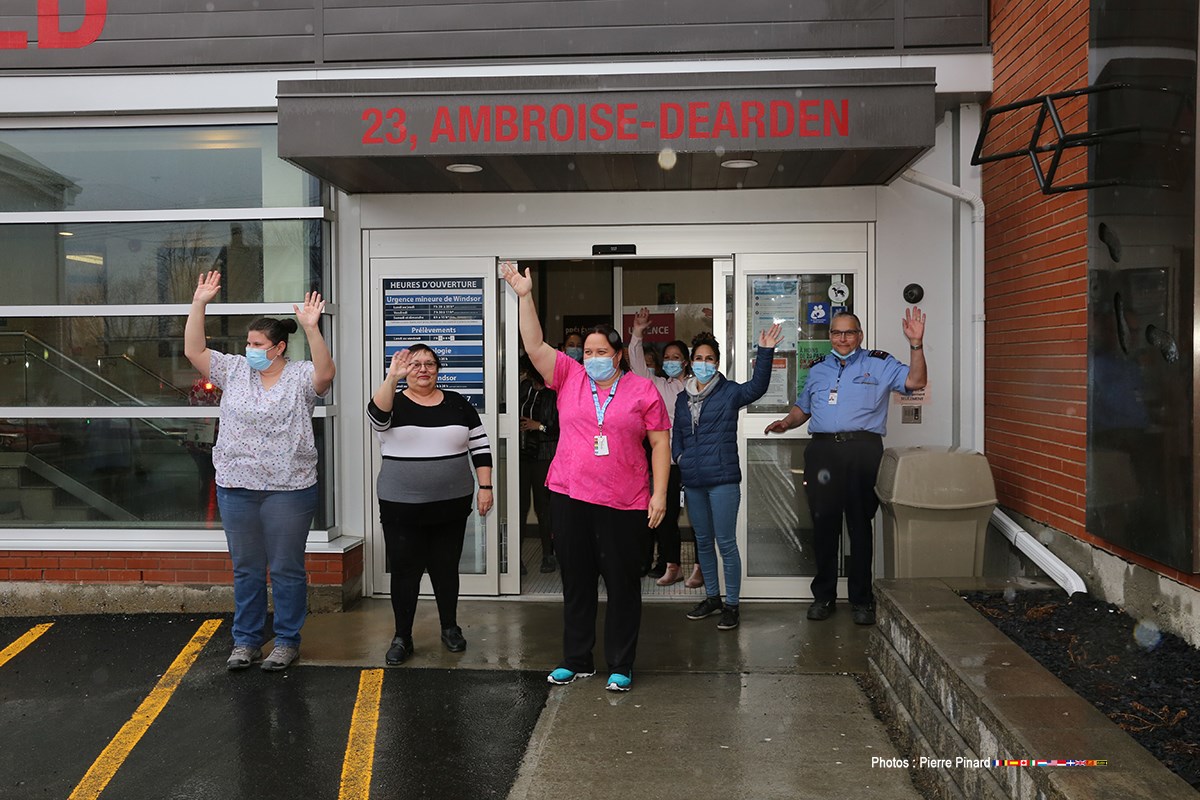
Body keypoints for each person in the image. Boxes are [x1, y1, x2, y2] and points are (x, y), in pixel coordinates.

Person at [503, 262, 670, 693]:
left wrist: (660, 496)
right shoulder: (568, 376)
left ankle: (621, 663)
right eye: (588, 351)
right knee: (575, 581)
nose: (592, 357)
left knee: (621, 583)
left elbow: (660, 445)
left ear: (617, 355)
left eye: (601, 351)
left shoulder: (642, 390)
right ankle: (576, 659)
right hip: (570, 496)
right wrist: (525, 296)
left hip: (623, 501)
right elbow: (534, 341)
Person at [184, 270, 335, 672]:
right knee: (247, 569)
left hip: (290, 489)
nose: (249, 349)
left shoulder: (301, 374)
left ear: (279, 347)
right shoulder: (234, 371)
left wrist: (312, 329)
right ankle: (246, 641)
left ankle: (286, 641)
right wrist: (199, 303)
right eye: (247, 343)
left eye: (257, 344)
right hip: (238, 487)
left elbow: (326, 374)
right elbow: (194, 350)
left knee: (286, 568)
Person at [764, 309, 926, 626]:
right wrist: (787, 421)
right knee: (824, 527)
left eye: (849, 333)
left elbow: (916, 381)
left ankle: (861, 601)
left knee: (859, 527)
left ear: (860, 335)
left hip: (862, 451)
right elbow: (803, 408)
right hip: (823, 451)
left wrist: (916, 344)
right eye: (837, 333)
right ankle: (823, 597)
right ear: (830, 337)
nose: (842, 339)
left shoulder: (878, 363)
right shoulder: (818, 370)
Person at [367, 344, 493, 665]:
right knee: (406, 571)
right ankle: (402, 637)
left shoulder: (458, 403)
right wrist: (391, 378)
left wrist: (486, 487)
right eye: (416, 364)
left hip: (450, 505)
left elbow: (480, 447)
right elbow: (377, 419)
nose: (423, 369)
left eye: (430, 364)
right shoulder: (392, 400)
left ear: (438, 369)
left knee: (445, 568)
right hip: (401, 506)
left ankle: (449, 628)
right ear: (406, 370)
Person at [674, 325, 782, 630]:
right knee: (703, 543)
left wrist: (765, 351)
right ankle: (712, 598)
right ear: (691, 362)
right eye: (699, 358)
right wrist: (679, 458)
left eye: (709, 358)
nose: (704, 363)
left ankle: (732, 605)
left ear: (717, 363)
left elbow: (757, 387)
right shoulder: (683, 398)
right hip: (693, 481)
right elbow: (678, 435)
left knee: (725, 542)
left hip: (722, 480)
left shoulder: (730, 392)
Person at [628, 307, 692, 586]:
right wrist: (638, 333)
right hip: (667, 463)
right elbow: (637, 365)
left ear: (687, 362)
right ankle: (671, 564)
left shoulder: (694, 386)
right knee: (665, 517)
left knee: (700, 518)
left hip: (693, 460)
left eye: (676, 358)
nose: (670, 362)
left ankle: (701, 568)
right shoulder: (656, 385)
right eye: (667, 358)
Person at [518, 355, 559, 573]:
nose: (525, 373)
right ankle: (517, 558)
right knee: (521, 506)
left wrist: (538, 426)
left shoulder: (554, 391)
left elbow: (559, 427)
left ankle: (548, 555)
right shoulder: (524, 387)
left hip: (544, 455)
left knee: (544, 507)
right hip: (522, 454)